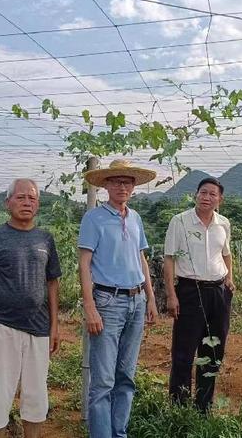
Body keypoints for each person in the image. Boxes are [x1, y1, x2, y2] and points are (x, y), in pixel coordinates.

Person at [0, 178, 61, 438]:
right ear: (8, 203)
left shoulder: (46, 239)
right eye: (21, 197)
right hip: (1, 327)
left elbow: (52, 283)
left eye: (32, 198)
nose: (27, 202)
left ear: (38, 204)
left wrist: (54, 326)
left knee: (36, 397)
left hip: (39, 330)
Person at [78, 159, 159, 438]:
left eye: (127, 182)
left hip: (136, 301)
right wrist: (90, 306)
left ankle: (119, 432)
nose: (122, 186)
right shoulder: (94, 218)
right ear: (106, 185)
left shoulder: (135, 218)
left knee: (126, 376)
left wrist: (150, 297)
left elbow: (141, 259)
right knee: (103, 380)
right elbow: (84, 263)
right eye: (116, 181)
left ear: (133, 186)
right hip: (108, 302)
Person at [163, 177, 234, 413]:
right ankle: (179, 405)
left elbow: (226, 254)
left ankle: (203, 405)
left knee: (213, 349)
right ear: (196, 195)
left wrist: (230, 278)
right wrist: (172, 295)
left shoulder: (223, 223)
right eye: (203, 192)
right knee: (184, 351)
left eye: (213, 194)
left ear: (220, 200)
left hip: (218, 292)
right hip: (190, 291)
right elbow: (169, 259)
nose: (207, 197)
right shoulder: (180, 221)